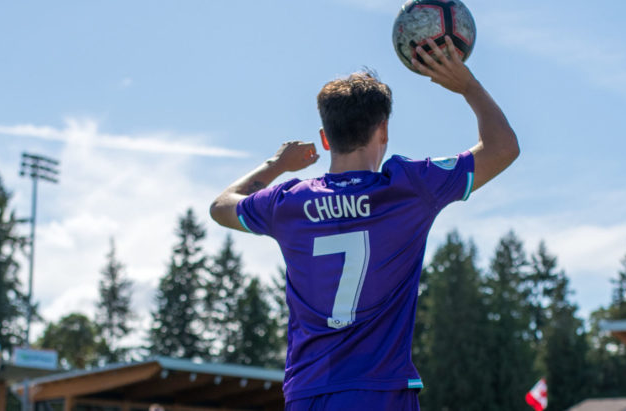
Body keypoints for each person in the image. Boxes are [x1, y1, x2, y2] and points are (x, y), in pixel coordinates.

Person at [210, 36, 519, 410]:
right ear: (383, 131)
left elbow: (221, 206)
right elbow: (503, 148)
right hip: (380, 392)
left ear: (326, 139)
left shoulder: (288, 202)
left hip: (310, 393)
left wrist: (277, 164)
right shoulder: (409, 187)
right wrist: (468, 86)